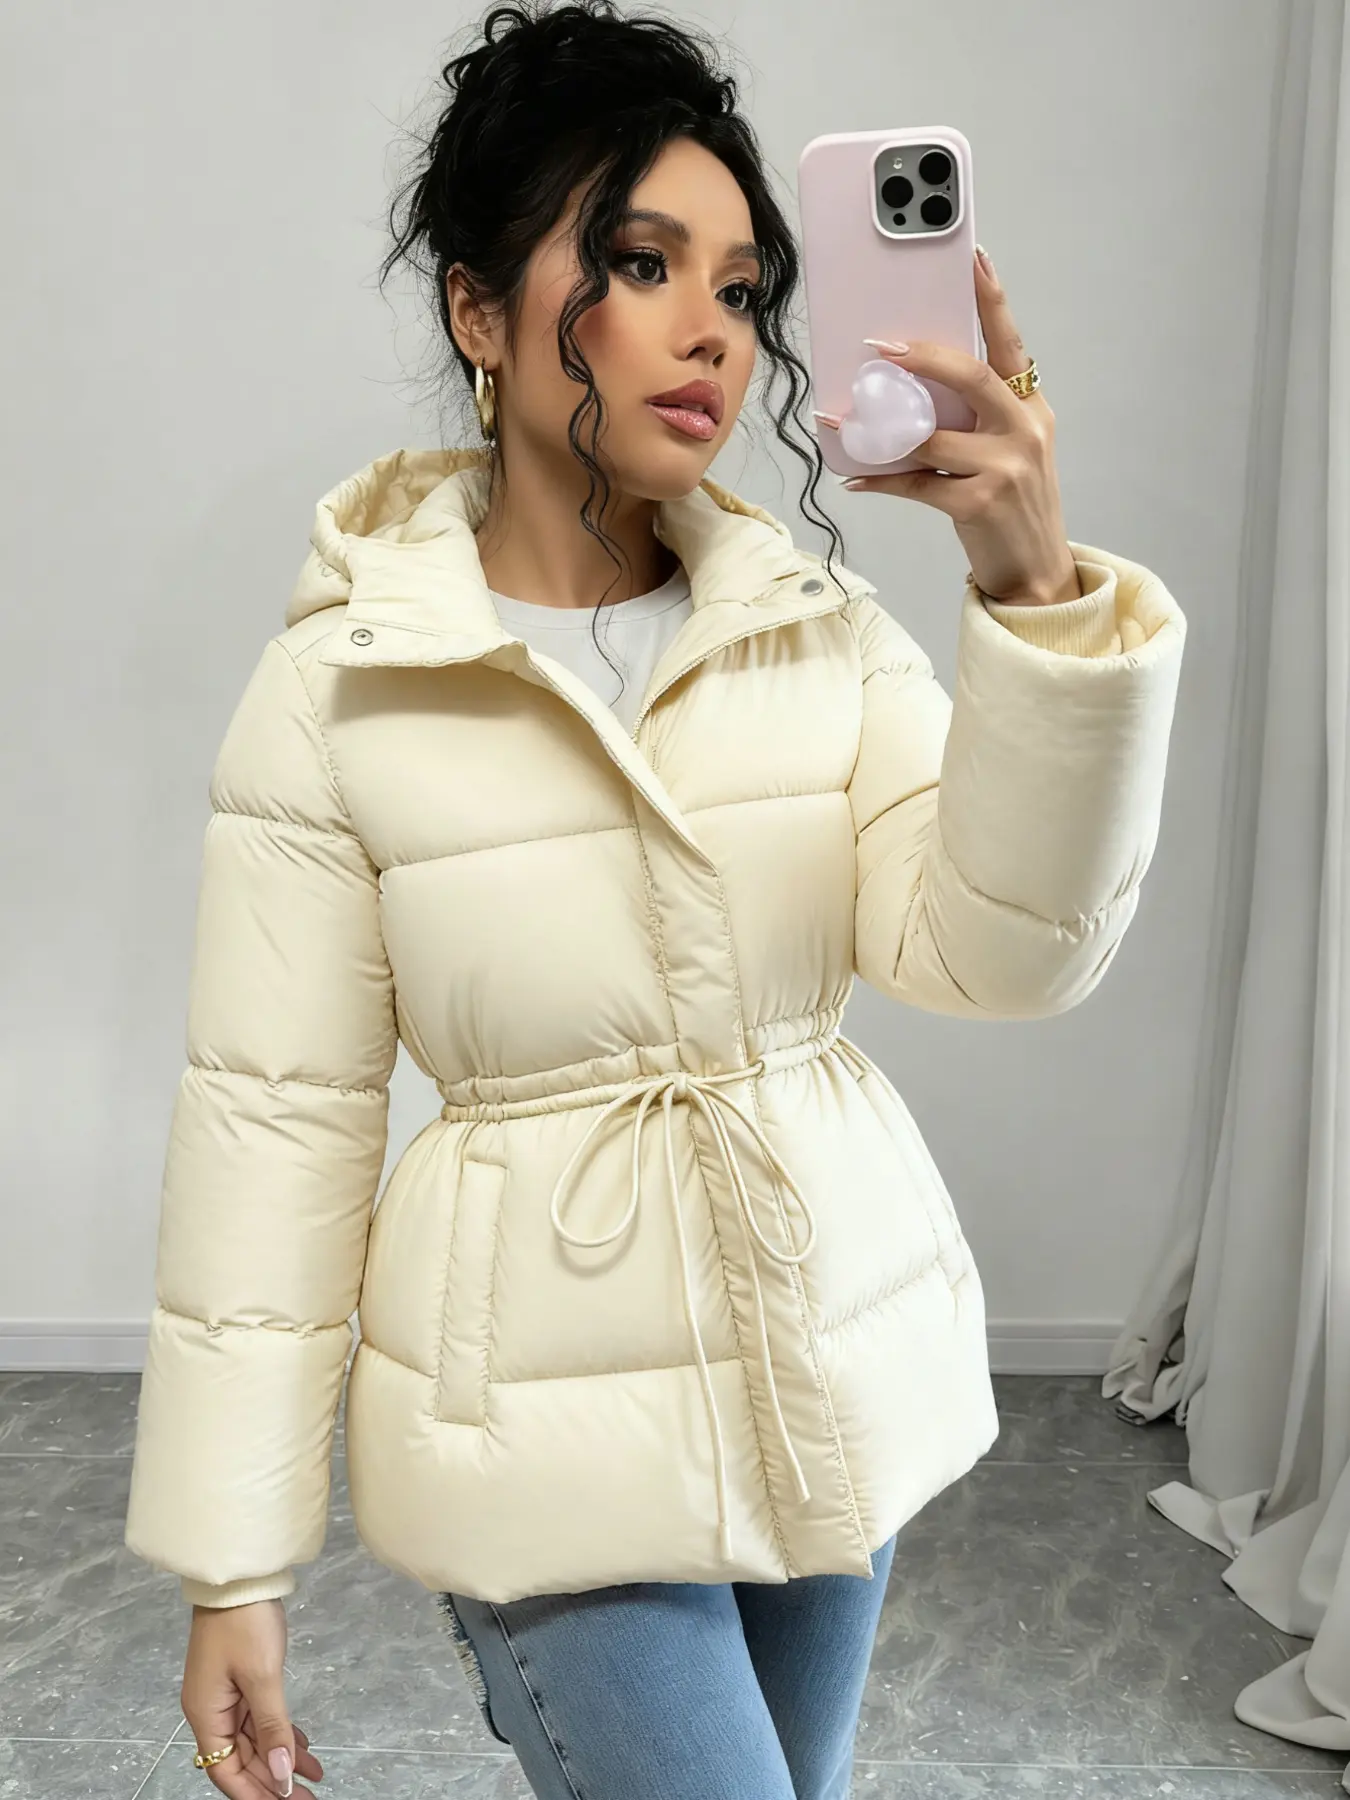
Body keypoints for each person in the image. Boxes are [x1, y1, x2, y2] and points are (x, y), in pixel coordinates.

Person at [122, 2, 1187, 1795]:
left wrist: (1031, 593)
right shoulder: (340, 689)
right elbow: (274, 1130)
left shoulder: (814, 630)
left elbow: (1007, 958)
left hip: (815, 1376)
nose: (712, 330)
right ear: (480, 312)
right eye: (638, 263)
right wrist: (234, 1566)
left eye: (744, 287)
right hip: (535, 1439)